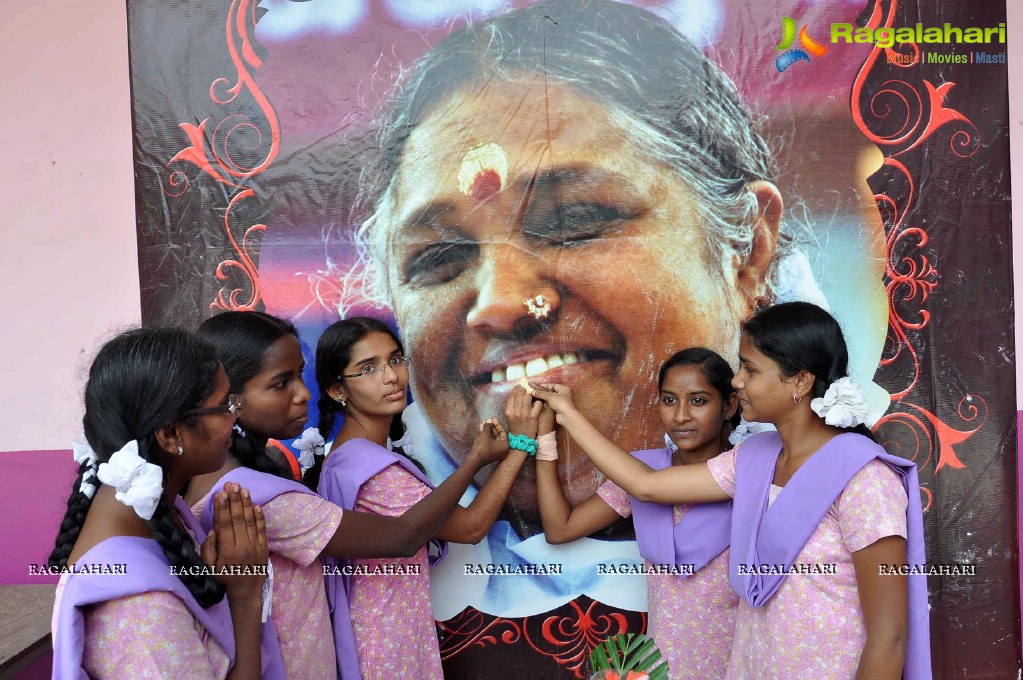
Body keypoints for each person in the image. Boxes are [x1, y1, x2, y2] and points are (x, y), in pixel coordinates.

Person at [339, 0, 879, 618]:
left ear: (745, 249)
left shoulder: (831, 475)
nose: (502, 304)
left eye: (573, 221)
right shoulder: (375, 494)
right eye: (439, 257)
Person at [531, 302, 929, 680]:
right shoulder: (753, 459)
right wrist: (566, 416)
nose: (737, 381)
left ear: (800, 381)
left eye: (750, 370)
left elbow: (889, 637)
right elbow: (646, 486)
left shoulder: (866, 479)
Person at [185, 310, 514, 679]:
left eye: (394, 360)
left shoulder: (263, 479)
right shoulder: (251, 497)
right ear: (229, 399)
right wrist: (491, 456)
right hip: (374, 651)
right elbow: (410, 535)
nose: (302, 393)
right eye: (281, 383)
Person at [306, 316, 539, 678]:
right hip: (385, 638)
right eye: (368, 368)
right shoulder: (371, 469)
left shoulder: (349, 455)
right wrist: (520, 445)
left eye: (395, 360)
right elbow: (471, 527)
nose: (391, 377)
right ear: (338, 390)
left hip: (386, 628)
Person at [49, 328, 268, 678]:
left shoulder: (153, 507)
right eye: (226, 404)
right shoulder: (138, 611)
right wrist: (244, 596)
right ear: (170, 435)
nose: (236, 415)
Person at [536, 348, 740, 678]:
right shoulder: (642, 468)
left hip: (740, 663)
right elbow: (560, 529)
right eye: (669, 400)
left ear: (729, 405)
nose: (681, 415)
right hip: (663, 665)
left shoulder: (750, 471)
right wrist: (545, 437)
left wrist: (569, 414)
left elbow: (646, 486)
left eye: (699, 401)